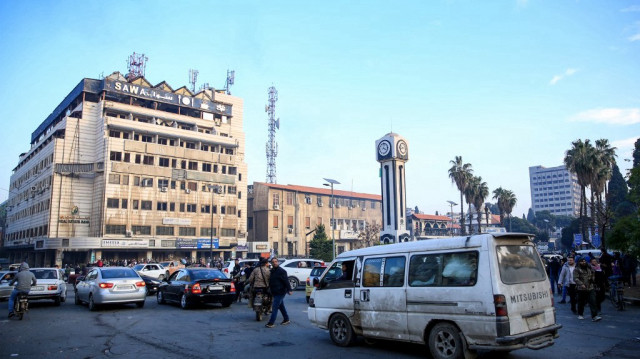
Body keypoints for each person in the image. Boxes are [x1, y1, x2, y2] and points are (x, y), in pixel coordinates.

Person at [265, 257, 292, 328]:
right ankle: (286, 319)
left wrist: (289, 290)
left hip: (281, 291)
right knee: (281, 306)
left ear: (278, 262)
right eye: (273, 262)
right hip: (274, 291)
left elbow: (286, 281)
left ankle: (271, 323)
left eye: (276, 261)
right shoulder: (272, 271)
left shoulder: (282, 271)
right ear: (271, 263)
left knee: (275, 306)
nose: (274, 263)